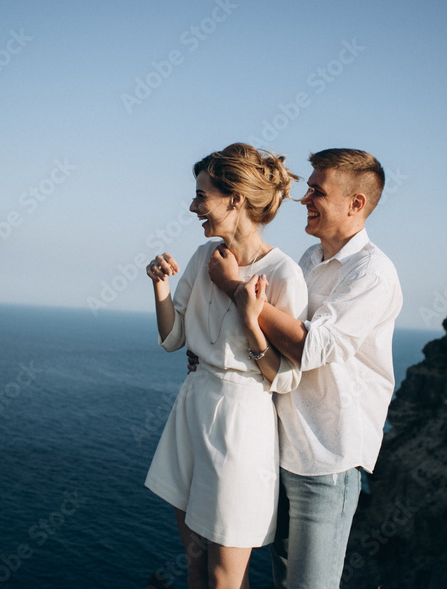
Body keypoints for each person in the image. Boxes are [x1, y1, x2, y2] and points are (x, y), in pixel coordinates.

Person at [207, 148, 403, 588]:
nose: (304, 198)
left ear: (356, 204)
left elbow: (310, 346)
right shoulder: (309, 261)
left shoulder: (373, 273)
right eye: (308, 187)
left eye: (317, 190)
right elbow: (270, 329)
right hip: (282, 449)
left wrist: (236, 287)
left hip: (328, 461)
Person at [144, 143, 308, 589]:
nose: (193, 206)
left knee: (224, 578)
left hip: (240, 422)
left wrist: (251, 320)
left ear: (235, 199)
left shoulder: (284, 273)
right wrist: (160, 287)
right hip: (194, 407)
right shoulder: (202, 259)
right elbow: (172, 340)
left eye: (202, 195)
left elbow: (288, 376)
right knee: (196, 565)